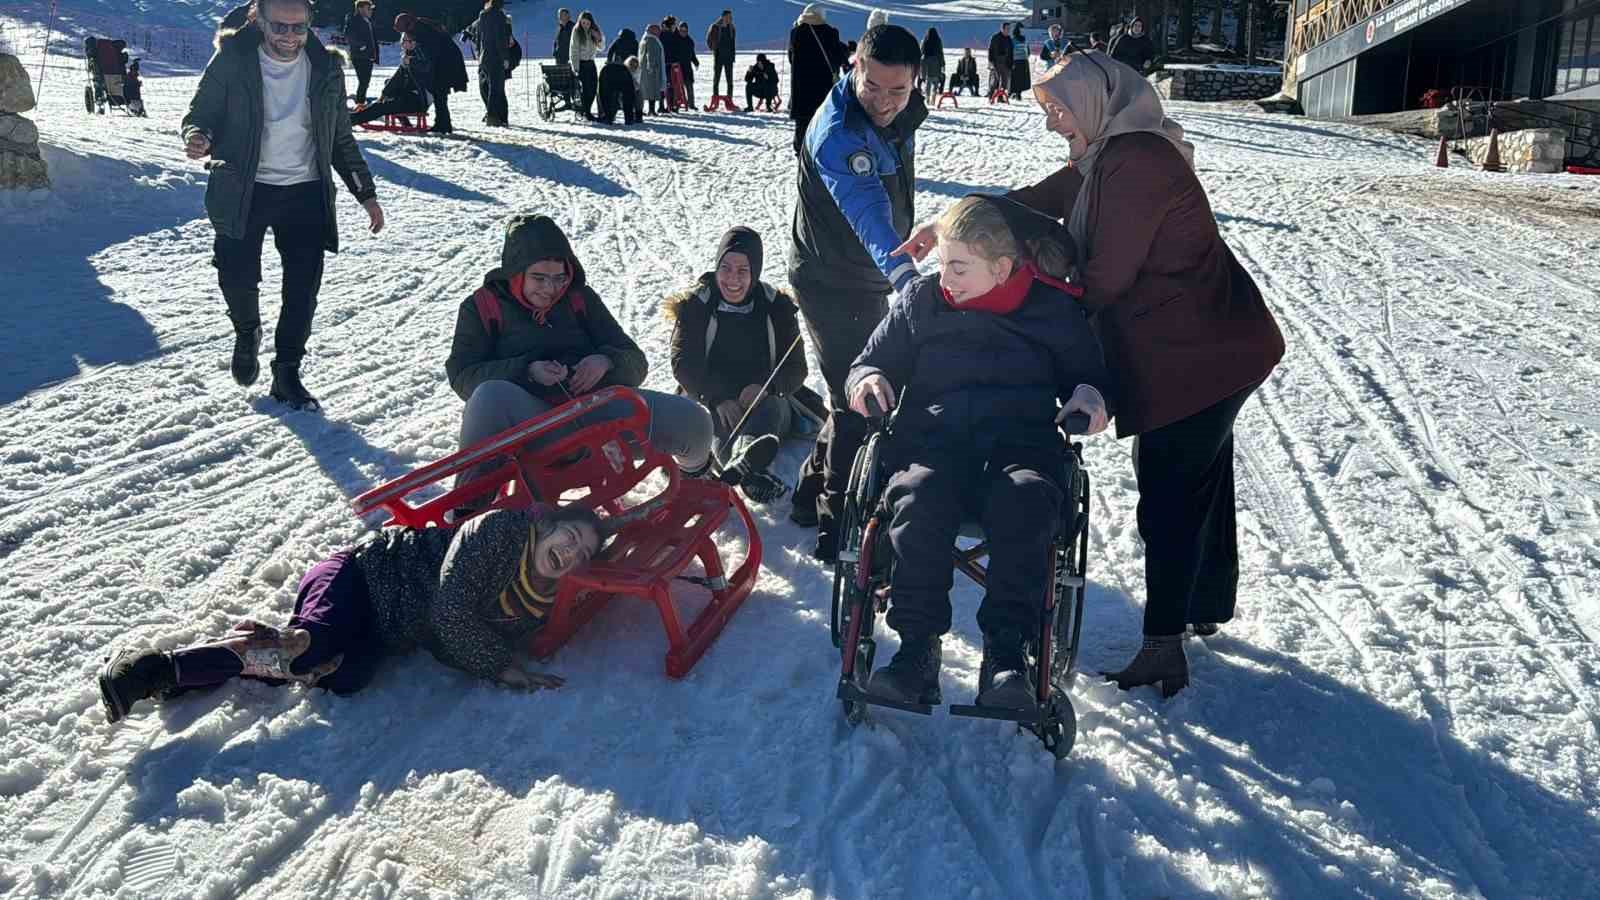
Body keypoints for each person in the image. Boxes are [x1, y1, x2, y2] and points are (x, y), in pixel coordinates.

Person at [897, 53, 1286, 697]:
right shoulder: (1107, 154)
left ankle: (1164, 643)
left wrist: (1010, 282)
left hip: (1201, 350)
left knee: (1169, 486)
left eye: (1058, 110)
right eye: (1047, 112)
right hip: (1207, 343)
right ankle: (1203, 602)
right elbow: (1037, 202)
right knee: (1203, 477)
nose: (1053, 124)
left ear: (1094, 102)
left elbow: (1101, 279)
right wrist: (954, 228)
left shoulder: (1137, 161)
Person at [848, 195, 1111, 709]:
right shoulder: (923, 301)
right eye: (943, 263)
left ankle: (1007, 654)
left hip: (1021, 447)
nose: (945, 277)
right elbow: (867, 362)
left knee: (1029, 501)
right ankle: (917, 653)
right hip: (934, 444)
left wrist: (1090, 396)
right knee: (918, 499)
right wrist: (869, 379)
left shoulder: (1052, 310)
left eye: (959, 267)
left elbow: (1091, 377)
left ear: (1003, 267)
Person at [96, 502, 606, 724]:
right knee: (307, 650)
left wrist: (492, 654)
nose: (571, 550)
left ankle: (245, 649)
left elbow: (446, 639)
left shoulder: (534, 604)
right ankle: (152, 668)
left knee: (342, 676)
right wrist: (503, 667)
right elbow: (450, 612)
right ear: (549, 525)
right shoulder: (500, 530)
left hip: (382, 630)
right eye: (571, 535)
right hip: (362, 576)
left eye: (582, 554)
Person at [446, 214, 776, 500]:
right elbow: (463, 376)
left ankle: (696, 483)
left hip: (594, 412)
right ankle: (465, 513)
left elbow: (635, 360)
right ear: (516, 273)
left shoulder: (578, 299)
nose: (551, 288)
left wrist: (605, 362)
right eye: (539, 278)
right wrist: (527, 371)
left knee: (696, 421)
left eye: (559, 277)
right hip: (532, 424)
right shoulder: (483, 307)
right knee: (488, 395)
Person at [184, 0, 383, 412]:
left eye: (299, 28)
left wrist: (366, 193)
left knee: (303, 289)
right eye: (280, 27)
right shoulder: (232, 61)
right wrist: (198, 136)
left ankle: (287, 372)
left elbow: (340, 139)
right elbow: (199, 113)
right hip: (244, 188)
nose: (289, 38)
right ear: (258, 19)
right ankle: (247, 330)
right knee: (236, 276)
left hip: (306, 192)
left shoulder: (326, 68)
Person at [789, 24, 928, 561]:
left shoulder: (891, 113)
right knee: (861, 396)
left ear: (915, 81)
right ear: (854, 65)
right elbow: (868, 211)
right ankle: (836, 524)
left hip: (863, 273)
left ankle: (807, 495)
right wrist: (905, 276)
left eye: (899, 90)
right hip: (831, 279)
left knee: (851, 384)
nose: (885, 102)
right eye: (873, 86)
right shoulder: (840, 135)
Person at [666, 227, 807, 505]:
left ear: (755, 272)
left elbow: (796, 366)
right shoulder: (697, 304)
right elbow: (683, 364)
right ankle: (750, 472)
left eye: (743, 270)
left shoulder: (775, 306)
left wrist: (768, 387)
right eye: (726, 268)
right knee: (711, 418)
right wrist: (717, 397)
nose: (732, 279)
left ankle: (743, 460)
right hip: (709, 393)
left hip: (762, 396)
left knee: (774, 407)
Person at [786, 4, 848, 156]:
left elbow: (790, 58)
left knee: (802, 122)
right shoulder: (830, 32)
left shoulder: (796, 33)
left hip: (801, 88)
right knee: (823, 120)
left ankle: (800, 152)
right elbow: (838, 58)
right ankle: (820, 151)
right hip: (823, 88)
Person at [394, 12, 467, 134]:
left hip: (446, 63)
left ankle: (443, 125)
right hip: (444, 61)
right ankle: (443, 123)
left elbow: (429, 53)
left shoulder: (422, 30)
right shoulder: (420, 25)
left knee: (440, 93)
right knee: (440, 94)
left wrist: (413, 60)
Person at [351, 31, 431, 127]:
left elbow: (426, 67)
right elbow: (397, 78)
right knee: (388, 87)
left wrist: (411, 61)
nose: (405, 43)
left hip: (418, 101)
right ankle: (402, 119)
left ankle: (352, 120)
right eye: (404, 40)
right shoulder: (407, 57)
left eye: (409, 40)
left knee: (382, 107)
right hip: (409, 97)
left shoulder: (420, 54)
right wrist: (383, 95)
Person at [473, 0, 510, 127]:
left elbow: (478, 37)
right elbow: (501, 39)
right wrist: (505, 57)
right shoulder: (500, 16)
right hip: (496, 57)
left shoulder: (482, 15)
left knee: (486, 87)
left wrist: (479, 55)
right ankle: (494, 116)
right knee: (496, 88)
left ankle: (496, 115)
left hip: (484, 57)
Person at [568, 10, 603, 119]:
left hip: (591, 63)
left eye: (587, 23)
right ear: (580, 22)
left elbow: (602, 48)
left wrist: (599, 38)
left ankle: (586, 110)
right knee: (585, 89)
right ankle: (586, 112)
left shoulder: (594, 30)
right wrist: (576, 67)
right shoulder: (576, 31)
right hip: (581, 63)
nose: (585, 25)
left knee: (593, 88)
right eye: (583, 23)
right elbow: (574, 50)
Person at [344, 0, 379, 105]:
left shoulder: (368, 21)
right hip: (359, 56)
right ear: (360, 9)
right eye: (368, 8)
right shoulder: (353, 19)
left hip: (368, 56)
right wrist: (361, 46)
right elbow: (348, 35)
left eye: (371, 9)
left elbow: (372, 39)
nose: (370, 11)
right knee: (364, 81)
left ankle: (360, 100)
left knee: (365, 82)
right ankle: (360, 103)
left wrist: (374, 54)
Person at [597, 49, 639, 125]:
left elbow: (601, 94)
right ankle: (628, 119)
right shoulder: (627, 71)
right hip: (623, 76)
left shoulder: (605, 69)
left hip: (607, 74)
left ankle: (608, 117)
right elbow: (631, 95)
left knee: (605, 96)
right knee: (628, 97)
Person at [705, 9, 736, 104]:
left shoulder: (732, 28)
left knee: (730, 81)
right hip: (718, 57)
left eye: (731, 17)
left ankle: (729, 99)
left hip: (729, 58)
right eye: (728, 17)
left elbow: (732, 43)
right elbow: (708, 39)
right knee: (716, 79)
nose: (730, 18)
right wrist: (714, 49)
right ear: (723, 17)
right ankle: (715, 98)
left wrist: (733, 56)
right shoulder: (715, 27)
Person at [638, 24, 666, 115]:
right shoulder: (651, 40)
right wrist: (651, 66)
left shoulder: (644, 39)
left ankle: (644, 109)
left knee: (646, 90)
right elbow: (650, 54)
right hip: (652, 70)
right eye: (657, 30)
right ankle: (651, 110)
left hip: (646, 69)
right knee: (652, 90)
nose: (659, 32)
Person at [674, 21, 700, 110]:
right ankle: (677, 104)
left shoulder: (690, 41)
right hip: (678, 67)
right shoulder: (675, 39)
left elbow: (692, 54)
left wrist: (696, 62)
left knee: (689, 86)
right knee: (678, 88)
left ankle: (691, 104)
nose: (683, 32)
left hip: (687, 67)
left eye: (685, 30)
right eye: (681, 30)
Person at [986, 22, 1012, 98]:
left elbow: (1011, 52)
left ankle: (1000, 97)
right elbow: (990, 50)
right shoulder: (995, 37)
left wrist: (1011, 63)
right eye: (1007, 28)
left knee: (1004, 81)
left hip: (1006, 62)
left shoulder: (1009, 39)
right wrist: (991, 61)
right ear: (1002, 29)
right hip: (996, 62)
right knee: (995, 80)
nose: (1008, 30)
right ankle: (991, 95)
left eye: (1009, 29)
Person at [919, 27, 944, 96]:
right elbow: (940, 53)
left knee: (928, 80)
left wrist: (919, 62)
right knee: (935, 80)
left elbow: (921, 51)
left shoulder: (925, 40)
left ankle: (927, 96)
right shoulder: (938, 41)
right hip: (936, 63)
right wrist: (942, 64)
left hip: (926, 63)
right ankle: (934, 94)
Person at [1010, 23, 1031, 99]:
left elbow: (1010, 51)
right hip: (1024, 61)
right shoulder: (1024, 40)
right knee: (1022, 78)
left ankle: (1014, 92)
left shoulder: (1012, 40)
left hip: (1015, 61)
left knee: (1015, 77)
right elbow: (1028, 51)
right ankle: (1018, 93)